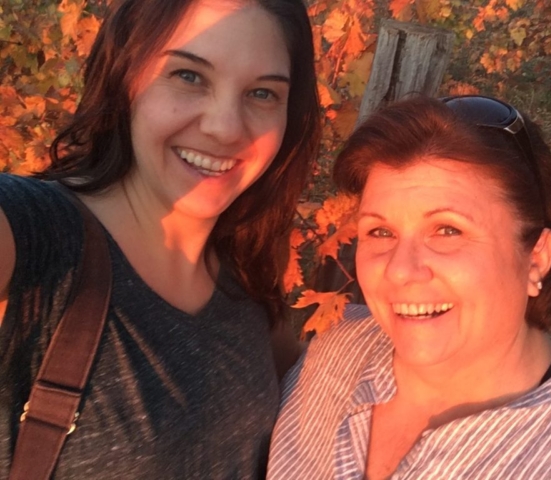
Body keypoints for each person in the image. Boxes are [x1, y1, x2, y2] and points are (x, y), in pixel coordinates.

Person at [0, 0, 320, 477]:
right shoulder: (35, 236)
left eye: (262, 93)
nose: (225, 128)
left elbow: (316, 389)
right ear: (124, 78)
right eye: (189, 76)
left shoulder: (244, 271)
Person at [267, 95, 551, 479]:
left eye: (447, 230)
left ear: (536, 258)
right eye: (380, 231)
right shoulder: (334, 356)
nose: (400, 270)